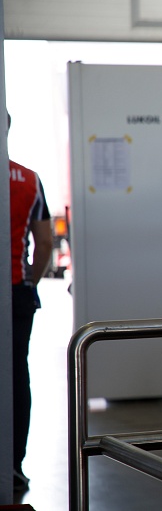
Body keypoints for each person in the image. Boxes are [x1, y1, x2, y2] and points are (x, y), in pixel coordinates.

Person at [8, 112, 54, 493]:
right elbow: (45, 243)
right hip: (17, 292)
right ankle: (13, 465)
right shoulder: (28, 180)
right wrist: (29, 282)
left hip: (16, 291)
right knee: (16, 375)